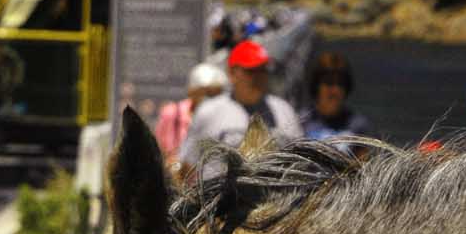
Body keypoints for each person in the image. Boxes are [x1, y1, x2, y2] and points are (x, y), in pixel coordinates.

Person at [179, 40, 303, 178]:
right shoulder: (209, 112)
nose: (258, 77)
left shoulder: (284, 111)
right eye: (251, 71)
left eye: (263, 70)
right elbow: (188, 165)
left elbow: (300, 163)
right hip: (221, 197)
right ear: (232, 73)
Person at [154, 63, 228, 174]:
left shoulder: (225, 118)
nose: (210, 99)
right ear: (191, 92)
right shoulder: (173, 114)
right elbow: (156, 153)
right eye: (206, 92)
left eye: (215, 94)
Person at [299, 52, 374, 153]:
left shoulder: (358, 125)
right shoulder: (301, 122)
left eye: (340, 84)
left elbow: (363, 163)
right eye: (328, 83)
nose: (335, 90)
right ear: (316, 86)